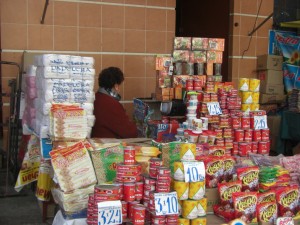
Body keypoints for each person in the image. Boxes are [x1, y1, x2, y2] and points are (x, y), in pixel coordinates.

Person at [91, 67, 138, 138]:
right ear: (116, 86)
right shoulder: (112, 104)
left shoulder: (93, 99)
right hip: (107, 145)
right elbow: (130, 132)